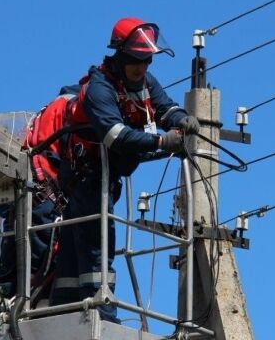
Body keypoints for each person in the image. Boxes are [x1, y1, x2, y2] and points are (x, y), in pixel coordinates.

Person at [47, 17, 200, 322]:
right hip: (85, 175)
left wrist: (182, 118)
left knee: (78, 243)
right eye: (135, 60)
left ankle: (61, 307)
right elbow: (115, 135)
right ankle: (100, 312)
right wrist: (161, 140)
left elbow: (163, 106)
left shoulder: (145, 82)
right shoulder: (99, 88)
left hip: (105, 177)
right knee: (96, 240)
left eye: (147, 60)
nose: (141, 68)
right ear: (119, 56)